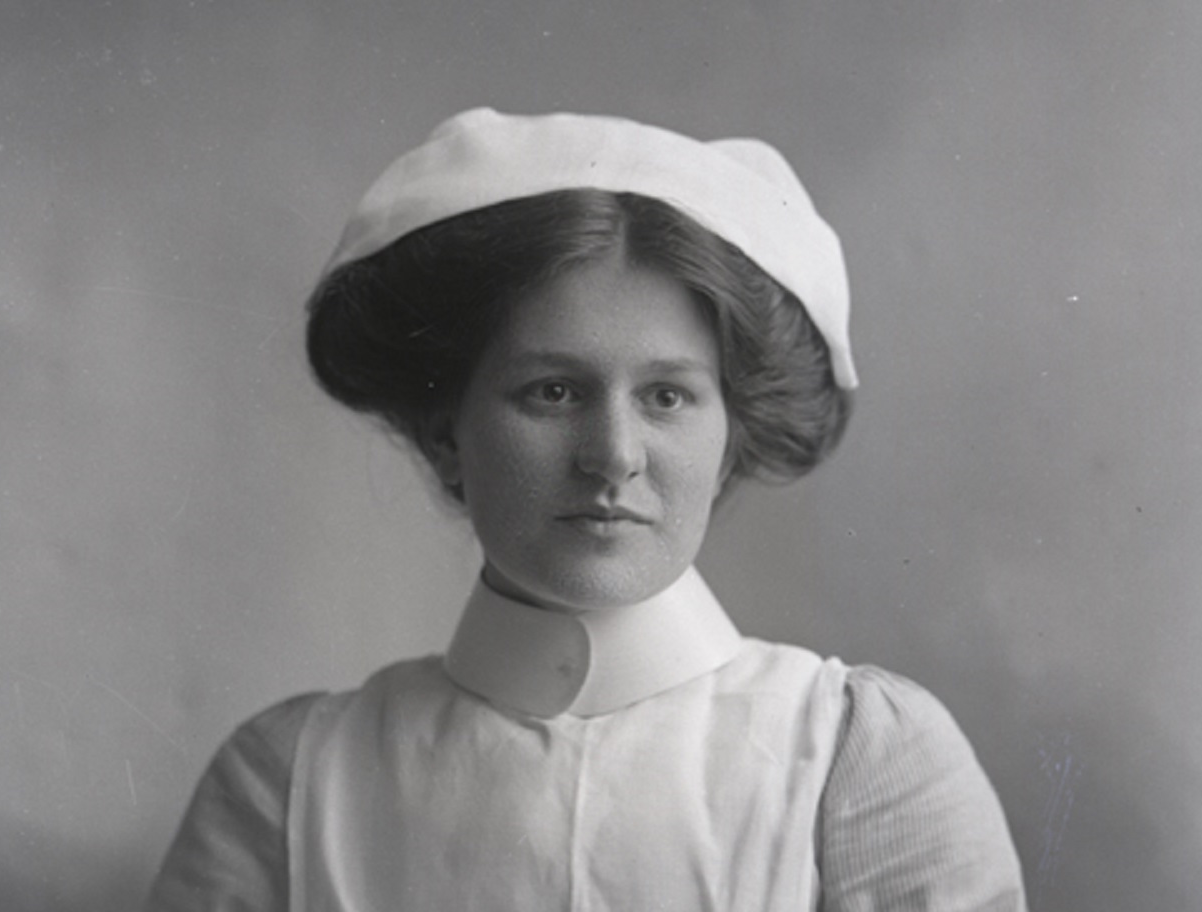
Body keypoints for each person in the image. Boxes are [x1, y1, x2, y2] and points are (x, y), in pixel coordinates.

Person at [145, 108, 1027, 912]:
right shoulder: (293, 782)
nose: (612, 455)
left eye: (667, 397)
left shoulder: (854, 759)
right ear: (447, 435)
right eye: (553, 391)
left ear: (729, 439)